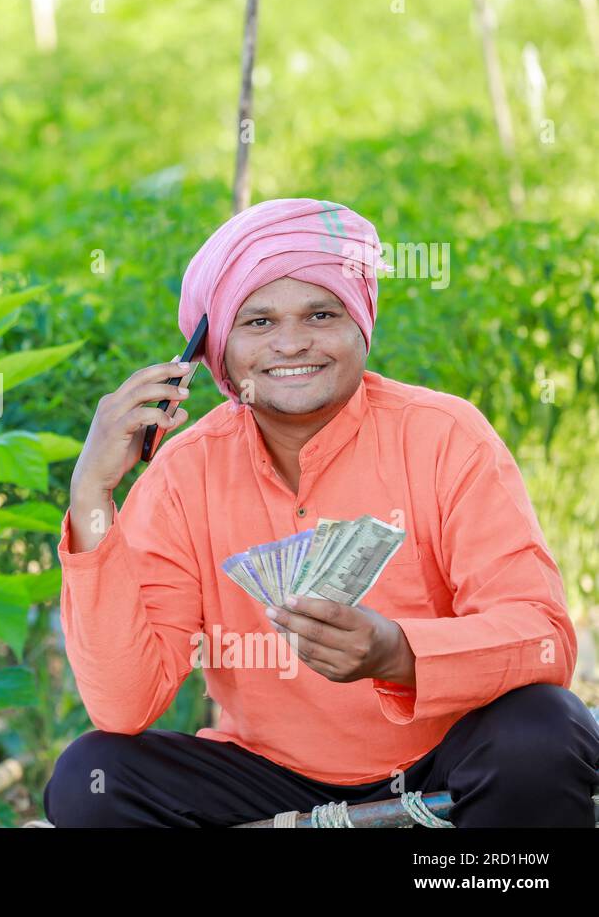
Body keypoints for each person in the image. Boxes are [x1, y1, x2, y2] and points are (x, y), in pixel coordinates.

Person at [43, 197, 599, 827]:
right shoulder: (184, 473)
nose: (291, 343)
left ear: (361, 322)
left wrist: (400, 653)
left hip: (449, 759)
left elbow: (543, 638)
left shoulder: (445, 436)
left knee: (544, 730)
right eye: (257, 322)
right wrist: (92, 495)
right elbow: (124, 705)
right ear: (215, 351)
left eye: (320, 312)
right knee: (90, 781)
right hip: (270, 778)